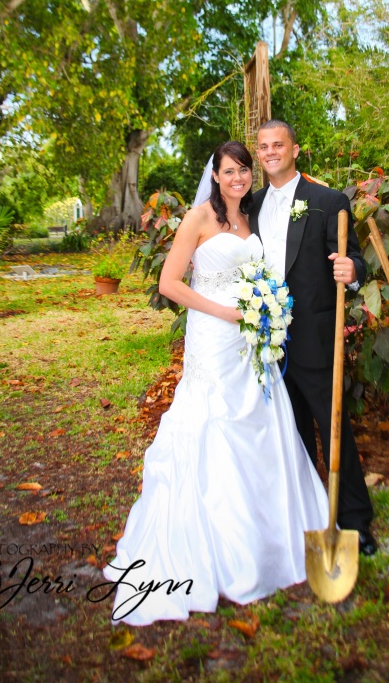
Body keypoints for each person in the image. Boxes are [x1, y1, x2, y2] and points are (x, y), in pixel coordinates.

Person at [101, 140, 327, 626]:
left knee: (261, 421)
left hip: (251, 341)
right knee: (214, 424)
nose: (238, 178)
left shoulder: (252, 218)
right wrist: (226, 311)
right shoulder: (199, 218)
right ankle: (220, 551)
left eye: (244, 170)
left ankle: (270, 539)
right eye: (229, 171)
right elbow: (170, 284)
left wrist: (262, 310)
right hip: (213, 336)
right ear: (216, 175)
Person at [249, 120, 377, 556]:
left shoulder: (327, 201)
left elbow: (356, 259)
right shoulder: (251, 205)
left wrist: (352, 271)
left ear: (295, 149)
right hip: (271, 343)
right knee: (291, 433)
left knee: (335, 427)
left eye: (278, 145)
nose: (270, 152)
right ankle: (304, 514)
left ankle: (356, 523)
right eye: (263, 146)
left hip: (317, 339)